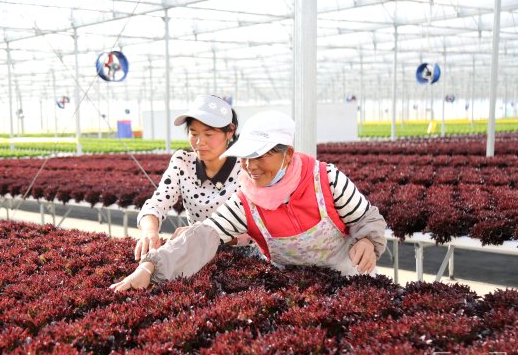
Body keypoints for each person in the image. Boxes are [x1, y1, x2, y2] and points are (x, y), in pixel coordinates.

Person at [111, 110, 387, 292]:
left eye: (260, 156)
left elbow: (366, 218)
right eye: (245, 158)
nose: (250, 166)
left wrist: (368, 241)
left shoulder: (325, 180)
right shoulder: (246, 200)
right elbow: (205, 235)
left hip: (348, 277)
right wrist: (149, 267)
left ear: (288, 154)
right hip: (293, 287)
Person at [134, 95, 245, 260]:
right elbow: (156, 204)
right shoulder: (183, 162)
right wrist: (150, 231)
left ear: (230, 131)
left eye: (209, 134)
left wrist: (204, 233)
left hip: (242, 257)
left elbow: (259, 227)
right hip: (196, 254)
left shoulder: (245, 167)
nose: (200, 142)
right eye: (194, 133)